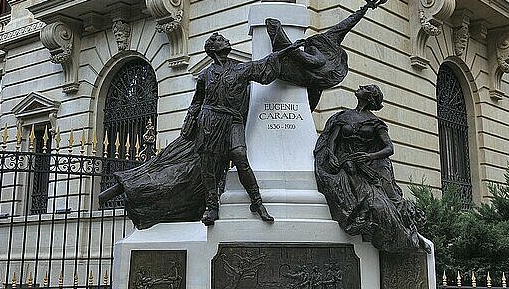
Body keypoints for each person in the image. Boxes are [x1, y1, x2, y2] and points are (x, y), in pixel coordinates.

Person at [182, 33, 305, 225]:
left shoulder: (240, 68)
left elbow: (264, 64)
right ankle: (212, 207)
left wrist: (289, 49)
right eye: (222, 40)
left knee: (239, 155)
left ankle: (257, 201)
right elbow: (197, 101)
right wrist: (189, 119)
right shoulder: (205, 75)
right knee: (208, 164)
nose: (228, 40)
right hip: (209, 120)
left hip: (232, 120)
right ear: (214, 49)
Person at [314, 84, 429, 253]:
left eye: (365, 88)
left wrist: (370, 157)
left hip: (375, 165)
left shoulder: (376, 123)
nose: (359, 87)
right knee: (376, 203)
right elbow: (332, 140)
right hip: (349, 161)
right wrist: (331, 156)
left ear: (369, 97)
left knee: (394, 200)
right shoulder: (344, 116)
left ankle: (414, 235)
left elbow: (389, 148)